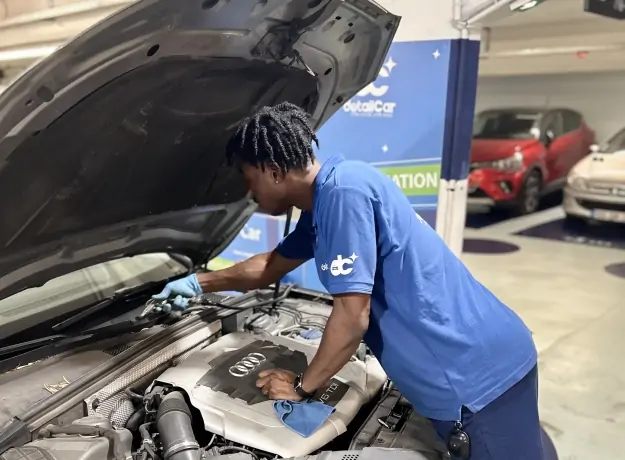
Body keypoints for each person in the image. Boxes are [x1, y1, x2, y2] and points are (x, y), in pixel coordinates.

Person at [153, 102, 544, 459]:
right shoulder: (326, 198)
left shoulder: (343, 194)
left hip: (477, 382)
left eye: (247, 176)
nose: (247, 191)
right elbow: (270, 266)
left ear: (273, 171)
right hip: (475, 365)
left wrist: (303, 387)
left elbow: (352, 317)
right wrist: (197, 283)